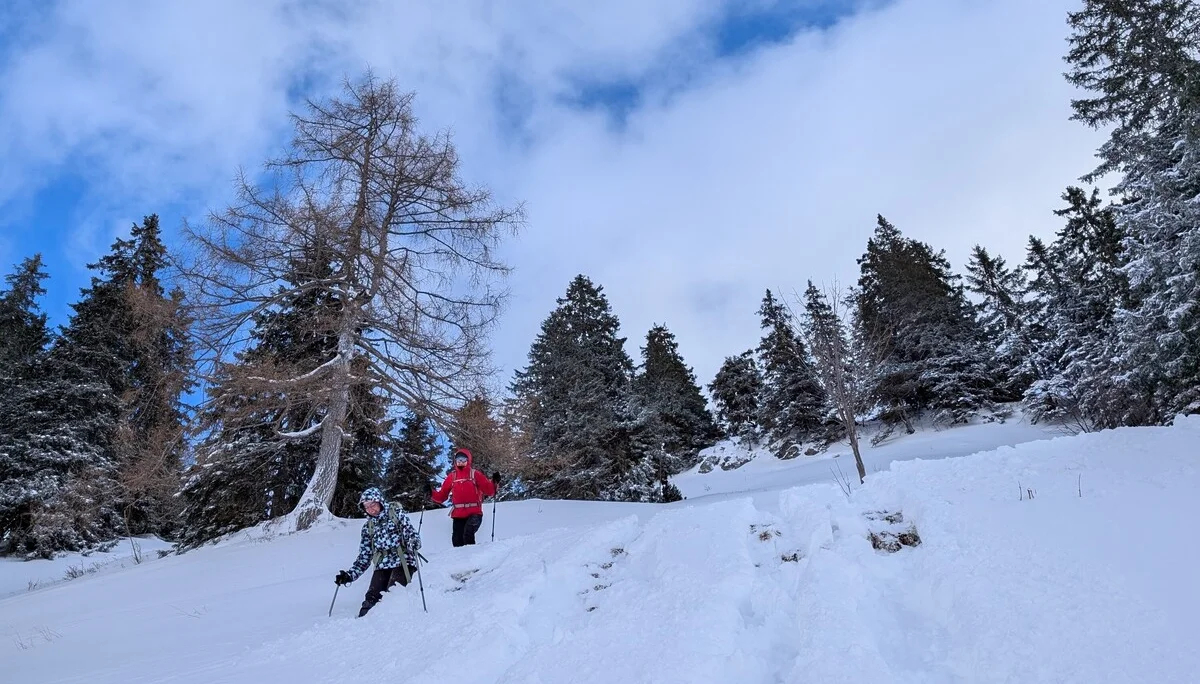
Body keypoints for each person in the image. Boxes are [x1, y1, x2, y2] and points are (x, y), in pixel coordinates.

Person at [334, 487, 422, 617]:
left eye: (373, 504)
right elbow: (364, 556)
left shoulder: (396, 514)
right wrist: (349, 575)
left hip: (403, 561)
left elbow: (411, 534)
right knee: (371, 597)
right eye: (366, 506)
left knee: (394, 593)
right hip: (382, 564)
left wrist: (413, 542)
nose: (370, 509)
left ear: (380, 501)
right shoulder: (368, 527)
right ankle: (362, 626)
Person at [431, 448, 500, 547]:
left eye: (464, 460)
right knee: (457, 540)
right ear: (455, 461)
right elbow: (442, 496)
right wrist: (430, 493)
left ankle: (471, 558)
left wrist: (494, 482)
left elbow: (489, 491)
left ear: (468, 461)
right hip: (458, 515)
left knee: (467, 535)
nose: (461, 463)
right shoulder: (452, 477)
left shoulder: (475, 474)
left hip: (475, 514)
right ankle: (460, 561)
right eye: (459, 460)